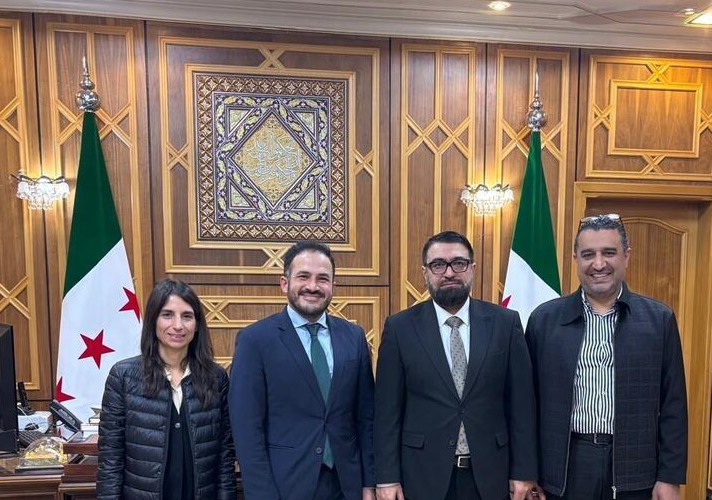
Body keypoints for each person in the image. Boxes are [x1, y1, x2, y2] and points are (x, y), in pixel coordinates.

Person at [525, 214, 687, 500]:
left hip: (636, 467)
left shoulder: (658, 320)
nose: (598, 264)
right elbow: (526, 404)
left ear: (626, 256)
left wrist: (669, 477)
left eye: (608, 253)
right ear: (576, 258)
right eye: (588, 254)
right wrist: (527, 471)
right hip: (564, 466)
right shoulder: (545, 320)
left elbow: (673, 404)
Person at [374, 230, 537, 500]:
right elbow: (387, 412)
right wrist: (386, 478)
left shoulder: (505, 323)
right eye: (438, 264)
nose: (449, 273)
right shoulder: (399, 328)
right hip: (422, 476)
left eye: (458, 263)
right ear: (425, 272)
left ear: (472, 268)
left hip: (491, 475)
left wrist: (524, 471)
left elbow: (522, 404)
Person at [230, 241, 376, 500]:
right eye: (303, 276)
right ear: (285, 283)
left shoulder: (354, 336)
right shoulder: (255, 340)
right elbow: (247, 429)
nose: (313, 286)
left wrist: (369, 484)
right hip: (285, 487)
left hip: (347, 486)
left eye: (323, 278)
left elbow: (365, 418)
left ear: (333, 286)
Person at [97, 278, 237, 500]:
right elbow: (111, 457)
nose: (178, 325)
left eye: (187, 316)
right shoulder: (123, 376)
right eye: (168, 315)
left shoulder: (216, 378)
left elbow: (225, 455)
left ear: (197, 325)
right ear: (153, 321)